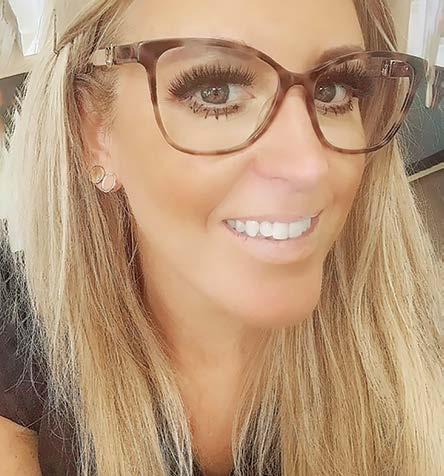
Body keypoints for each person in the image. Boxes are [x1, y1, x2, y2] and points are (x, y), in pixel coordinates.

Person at [0, 0, 442, 475]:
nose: (309, 166)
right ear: (94, 132)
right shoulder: (25, 328)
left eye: (333, 91)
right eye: (215, 92)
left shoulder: (416, 359)